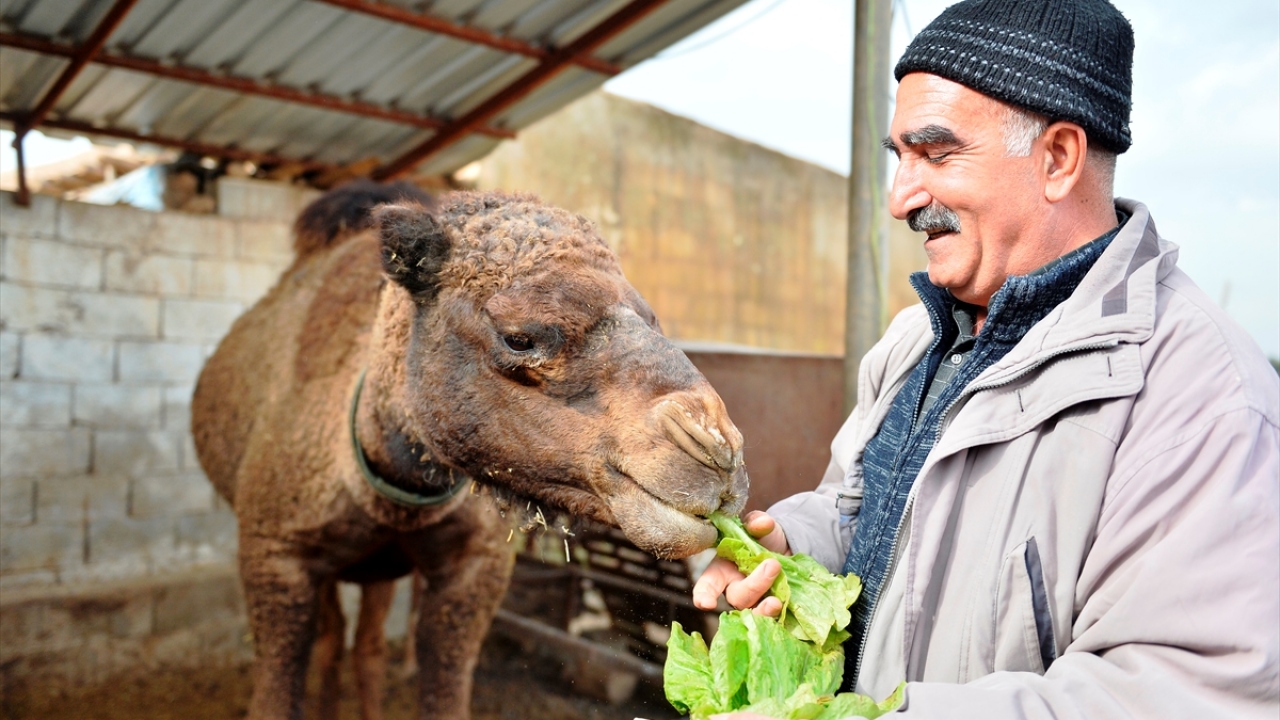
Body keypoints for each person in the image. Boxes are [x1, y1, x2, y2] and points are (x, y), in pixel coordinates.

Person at [692, 0, 1280, 718]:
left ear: (1058, 159)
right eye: (898, 157)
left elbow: (1184, 692)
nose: (901, 199)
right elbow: (857, 514)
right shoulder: (913, 343)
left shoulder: (1200, 394)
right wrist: (791, 545)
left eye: (936, 153)